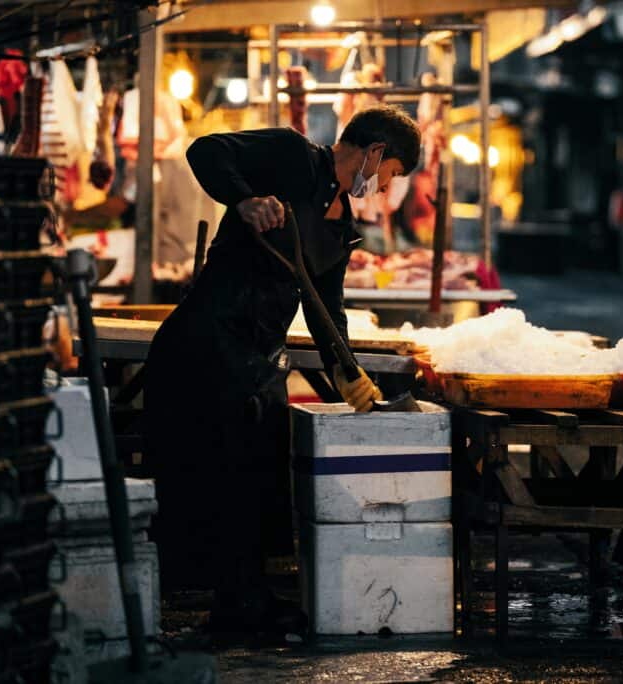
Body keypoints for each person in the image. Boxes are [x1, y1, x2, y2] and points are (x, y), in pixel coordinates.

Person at [144, 105, 422, 637]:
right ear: (376, 153)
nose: (386, 188)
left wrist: (347, 368)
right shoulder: (292, 156)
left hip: (258, 358)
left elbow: (326, 303)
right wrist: (244, 200)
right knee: (214, 478)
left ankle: (245, 602)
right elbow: (206, 150)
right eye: (391, 174)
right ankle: (227, 605)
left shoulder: (340, 222)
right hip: (207, 345)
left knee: (256, 479)